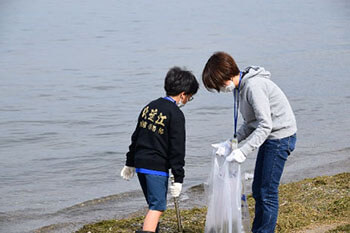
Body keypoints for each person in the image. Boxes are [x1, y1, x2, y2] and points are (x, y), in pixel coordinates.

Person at [202, 51, 297, 233]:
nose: (221, 90)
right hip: (270, 137)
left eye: (218, 85)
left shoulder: (253, 86)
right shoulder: (239, 88)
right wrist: (232, 142)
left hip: (280, 137)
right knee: (259, 189)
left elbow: (265, 125)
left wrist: (243, 151)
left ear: (227, 75)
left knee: (267, 192)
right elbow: (250, 123)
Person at [121, 67, 199, 233]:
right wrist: (179, 177)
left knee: (153, 205)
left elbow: (136, 136)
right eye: (189, 98)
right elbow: (177, 148)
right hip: (156, 166)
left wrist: (130, 162)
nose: (187, 101)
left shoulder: (149, 107)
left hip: (141, 164)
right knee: (158, 207)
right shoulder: (175, 114)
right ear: (183, 94)